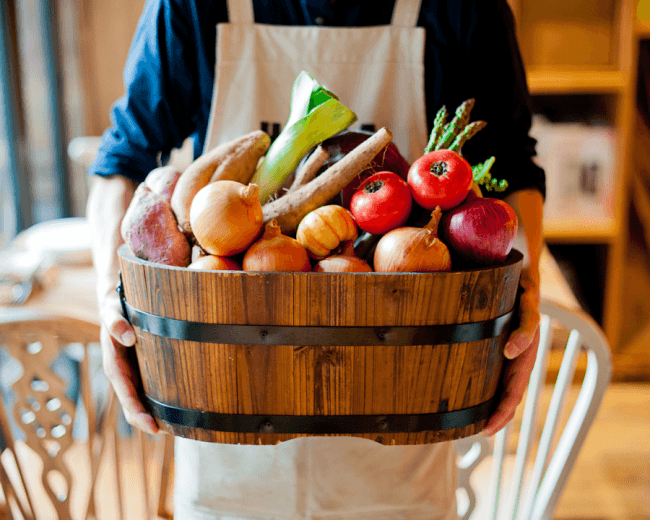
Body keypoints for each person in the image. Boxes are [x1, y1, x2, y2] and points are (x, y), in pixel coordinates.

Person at [87, 0, 545, 518]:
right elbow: (121, 162)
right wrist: (111, 298)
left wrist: (525, 289)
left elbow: (515, 166)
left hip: (401, 434)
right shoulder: (191, 6)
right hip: (227, 431)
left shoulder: (461, 9)